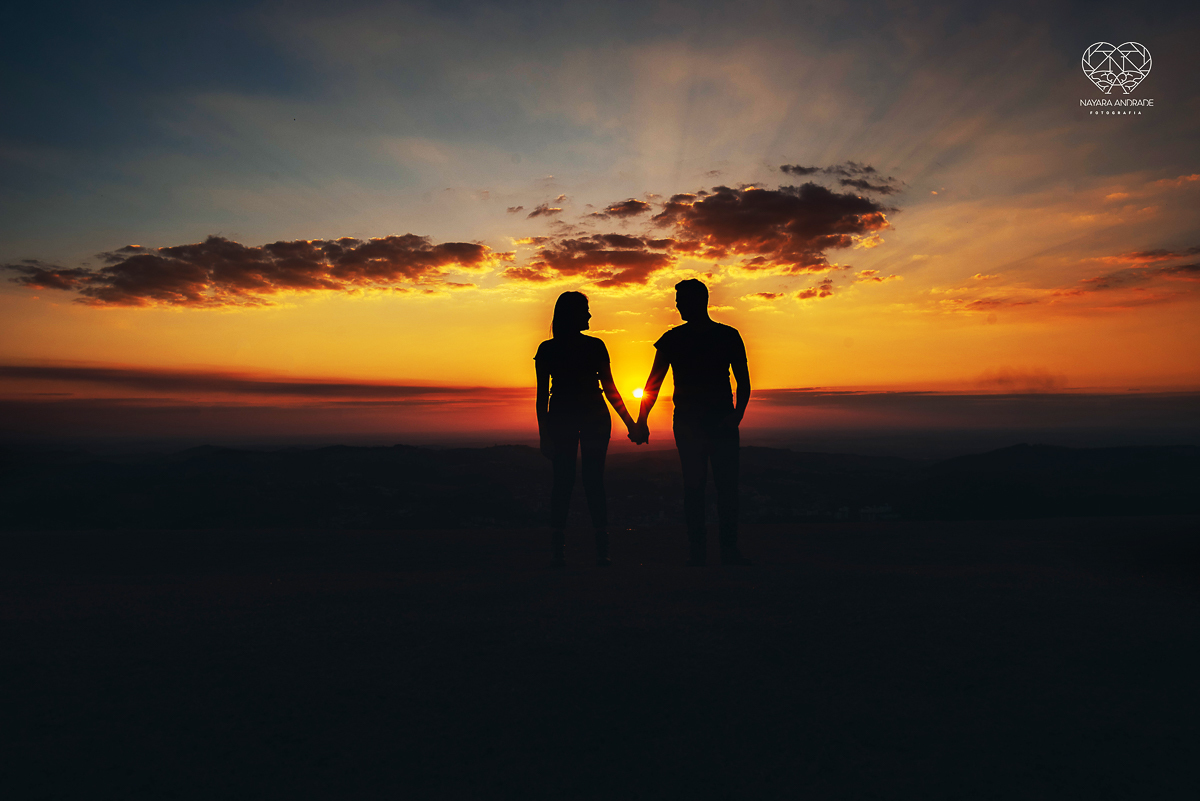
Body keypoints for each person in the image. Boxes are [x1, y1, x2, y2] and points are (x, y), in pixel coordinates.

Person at [632, 279, 752, 566]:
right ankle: (708, 552)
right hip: (697, 422)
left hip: (709, 422)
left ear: (699, 300)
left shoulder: (719, 336)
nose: (677, 305)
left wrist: (736, 416)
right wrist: (641, 420)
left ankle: (718, 551)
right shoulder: (690, 338)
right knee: (704, 487)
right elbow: (653, 384)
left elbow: (744, 382)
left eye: (682, 299)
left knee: (713, 488)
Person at [535, 291, 638, 568]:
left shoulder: (551, 349)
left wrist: (631, 424)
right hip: (587, 417)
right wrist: (632, 424)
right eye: (585, 311)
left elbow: (543, 397)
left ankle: (567, 553)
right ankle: (595, 552)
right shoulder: (585, 347)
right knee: (585, 481)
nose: (590, 315)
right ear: (572, 315)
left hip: (571, 417)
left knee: (568, 482)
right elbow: (609, 388)